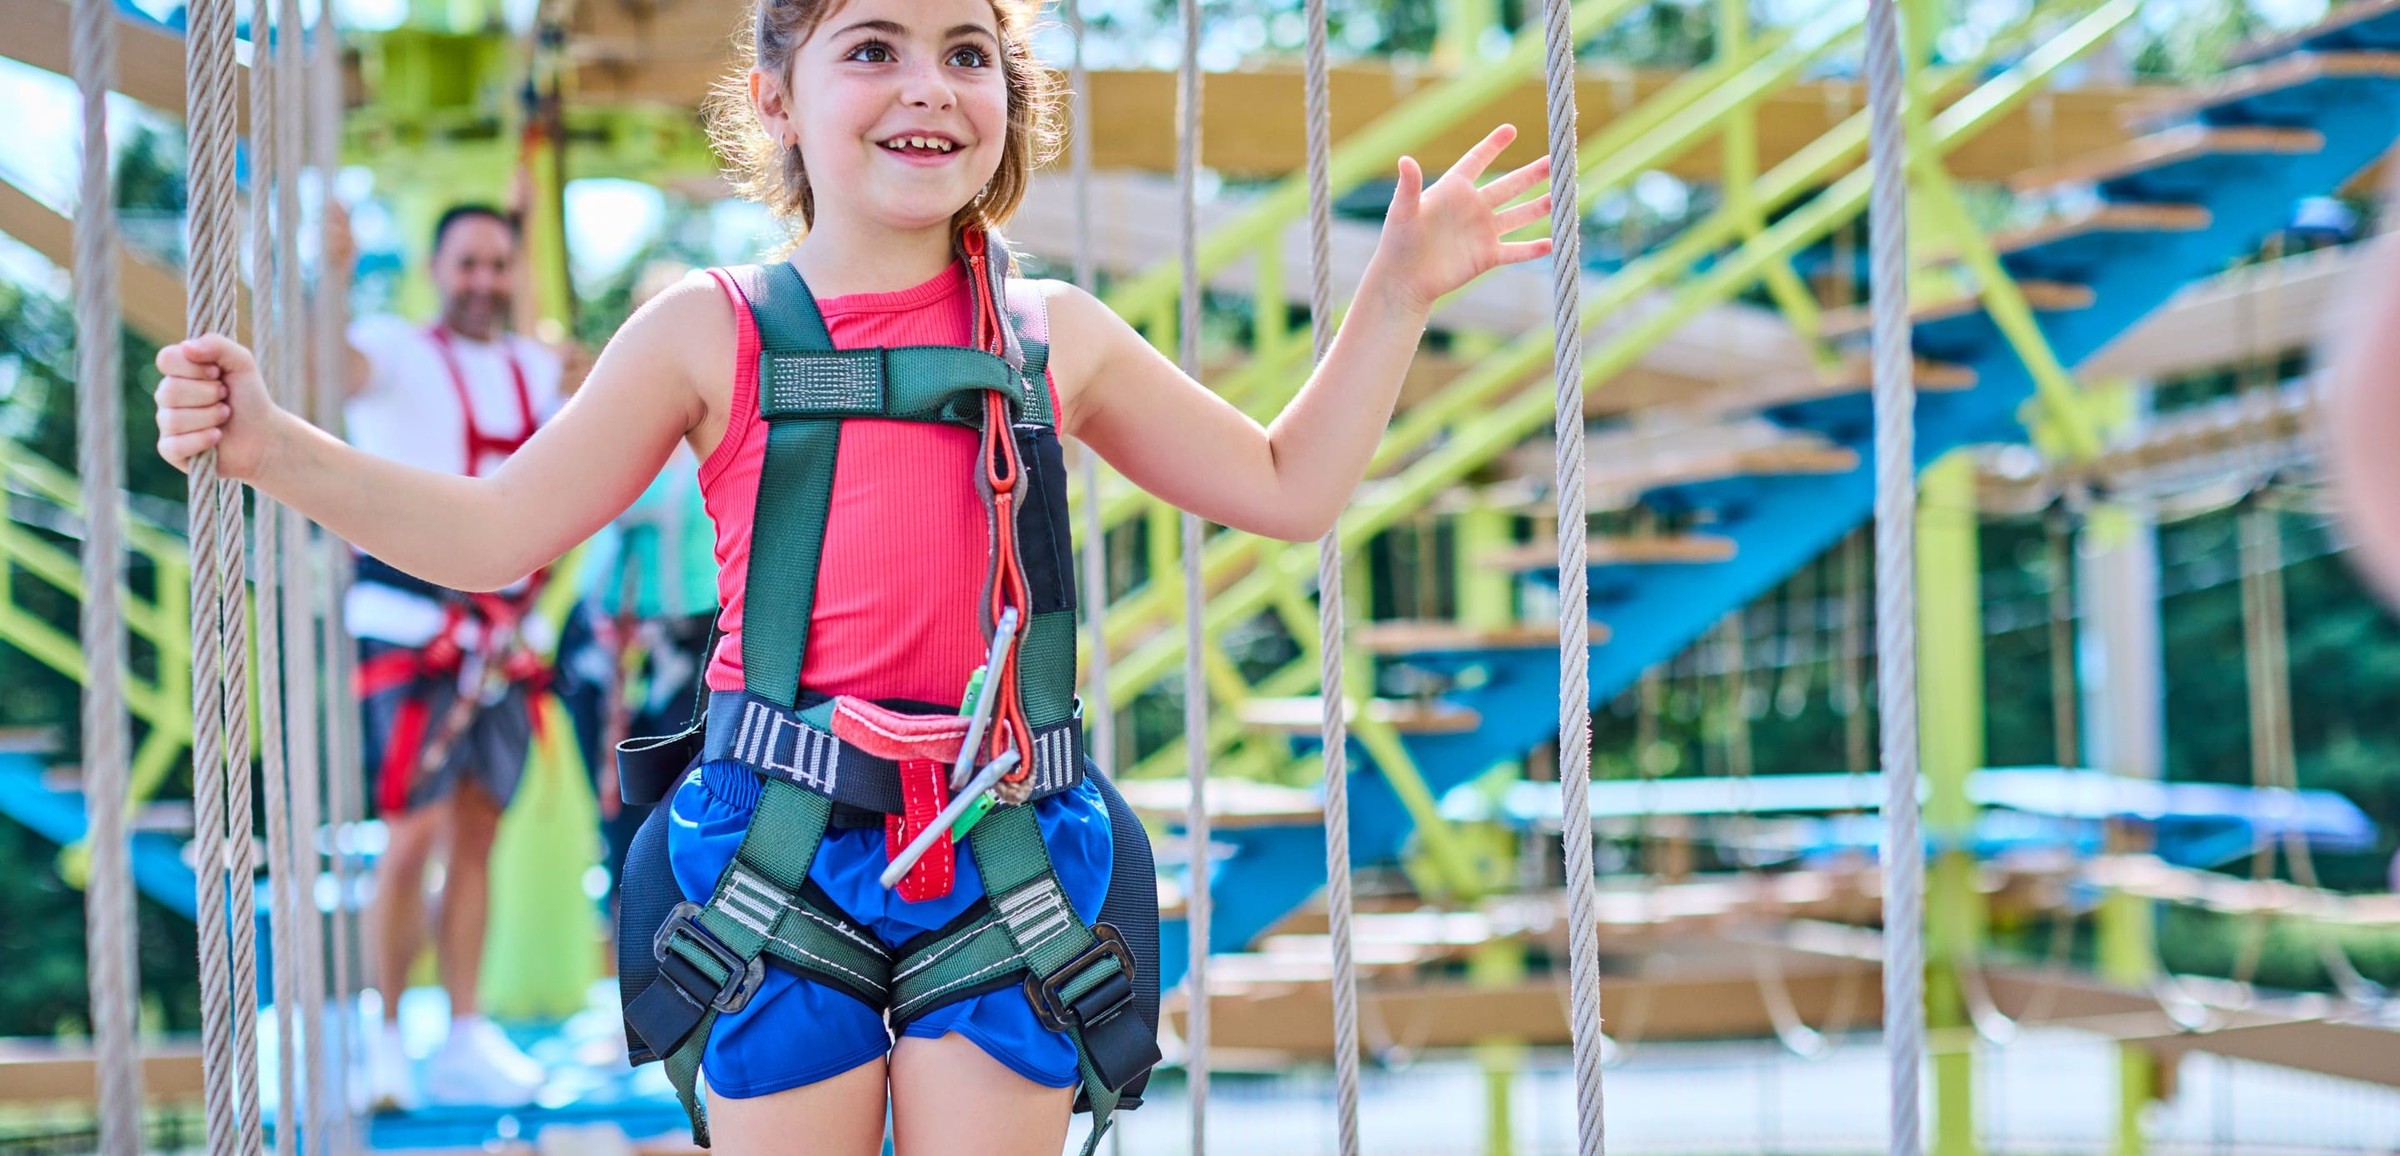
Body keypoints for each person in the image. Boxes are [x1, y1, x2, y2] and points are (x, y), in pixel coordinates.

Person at [150, 0, 1551, 1150]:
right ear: (775, 95)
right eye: (871, 47)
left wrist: (1397, 296)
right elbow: (495, 532)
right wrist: (279, 451)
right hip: (779, 848)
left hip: (1000, 852)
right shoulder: (706, 334)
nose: (926, 87)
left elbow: (1287, 487)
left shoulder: (1055, 335)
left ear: (1010, 94)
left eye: (967, 52)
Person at [340, 203, 564, 1110]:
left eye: (499, 264)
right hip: (411, 627)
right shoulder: (390, 350)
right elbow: (328, 372)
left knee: (478, 832)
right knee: (413, 834)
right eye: (467, 263)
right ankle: (387, 1033)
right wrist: (329, 275)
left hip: (506, 638)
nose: (483, 280)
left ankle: (463, 1031)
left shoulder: (537, 366)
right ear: (438, 269)